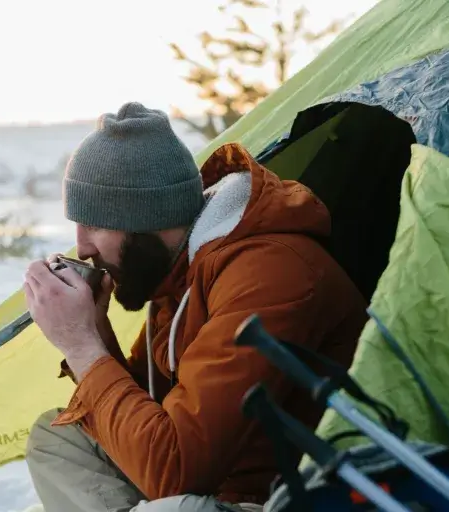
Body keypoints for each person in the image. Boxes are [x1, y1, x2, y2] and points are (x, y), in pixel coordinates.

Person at [22, 102, 367, 512]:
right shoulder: (177, 276)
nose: (81, 247)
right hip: (214, 490)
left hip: (289, 498)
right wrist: (97, 334)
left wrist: (81, 347)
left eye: (95, 224)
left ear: (146, 219)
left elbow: (176, 470)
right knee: (56, 438)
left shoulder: (269, 273)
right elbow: (152, 419)